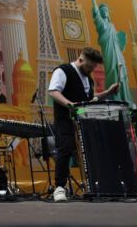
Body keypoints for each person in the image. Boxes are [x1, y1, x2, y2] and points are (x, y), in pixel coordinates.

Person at [47, 47, 118, 202]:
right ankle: (59, 187)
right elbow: (53, 91)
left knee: (91, 151)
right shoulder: (63, 71)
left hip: (84, 122)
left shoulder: (88, 79)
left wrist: (107, 92)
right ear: (80, 60)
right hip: (65, 120)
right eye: (89, 67)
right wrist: (70, 105)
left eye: (93, 68)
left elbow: (89, 98)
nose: (90, 70)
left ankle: (97, 185)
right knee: (65, 149)